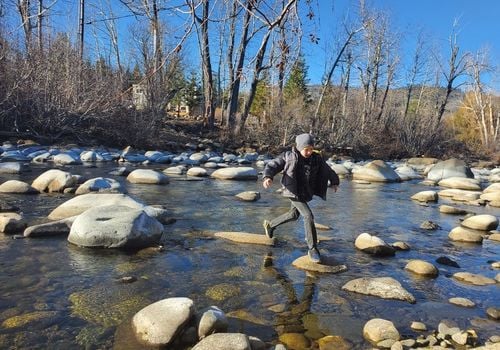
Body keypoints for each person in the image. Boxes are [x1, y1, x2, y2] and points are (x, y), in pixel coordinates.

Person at [262, 133, 339, 263]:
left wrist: (335, 181)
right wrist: (268, 176)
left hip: (305, 192)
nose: (309, 152)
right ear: (298, 147)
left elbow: (328, 170)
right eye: (306, 149)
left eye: (311, 149)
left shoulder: (316, 158)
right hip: (292, 190)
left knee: (293, 215)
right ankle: (312, 248)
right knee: (308, 215)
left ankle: (270, 225)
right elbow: (273, 165)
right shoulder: (289, 156)